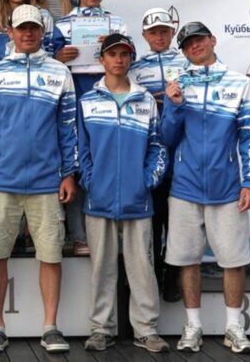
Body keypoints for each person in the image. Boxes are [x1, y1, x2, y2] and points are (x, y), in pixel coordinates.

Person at [0, 4, 77, 354]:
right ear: (11, 33)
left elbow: (69, 129)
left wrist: (69, 173)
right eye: (22, 28)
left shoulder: (60, 73)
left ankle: (50, 327)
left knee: (51, 256)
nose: (28, 33)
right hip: (2, 181)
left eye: (34, 28)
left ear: (42, 32)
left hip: (48, 182)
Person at [162, 21, 250, 354]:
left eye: (199, 39)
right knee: (187, 260)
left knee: (233, 260)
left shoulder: (239, 83)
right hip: (185, 187)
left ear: (212, 40)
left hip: (227, 188)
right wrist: (175, 106)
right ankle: (193, 327)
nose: (194, 46)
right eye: (187, 43)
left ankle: (234, 328)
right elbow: (167, 138)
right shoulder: (177, 83)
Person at [78, 33, 169, 353]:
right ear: (101, 59)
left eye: (124, 54)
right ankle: (101, 329)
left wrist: (145, 182)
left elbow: (158, 147)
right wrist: (91, 181)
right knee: (101, 268)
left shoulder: (145, 100)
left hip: (137, 200)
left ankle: (146, 330)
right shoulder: (87, 101)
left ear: (131, 59)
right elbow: (81, 150)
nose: (118, 60)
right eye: (112, 54)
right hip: (98, 200)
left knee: (142, 268)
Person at [52, 0, 128, 255]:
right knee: (75, 165)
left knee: (106, 163)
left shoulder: (116, 24)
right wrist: (58, 56)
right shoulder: (63, 25)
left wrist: (113, 46)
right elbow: (48, 63)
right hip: (73, 105)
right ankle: (80, 235)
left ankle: (110, 231)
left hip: (107, 105)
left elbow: (128, 60)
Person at [129, 7, 188, 302]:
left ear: (172, 32)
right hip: (150, 152)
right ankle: (150, 276)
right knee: (152, 219)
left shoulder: (187, 63)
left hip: (182, 152)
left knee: (178, 219)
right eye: (154, 32)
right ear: (144, 36)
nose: (160, 37)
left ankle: (173, 273)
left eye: (165, 31)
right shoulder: (135, 68)